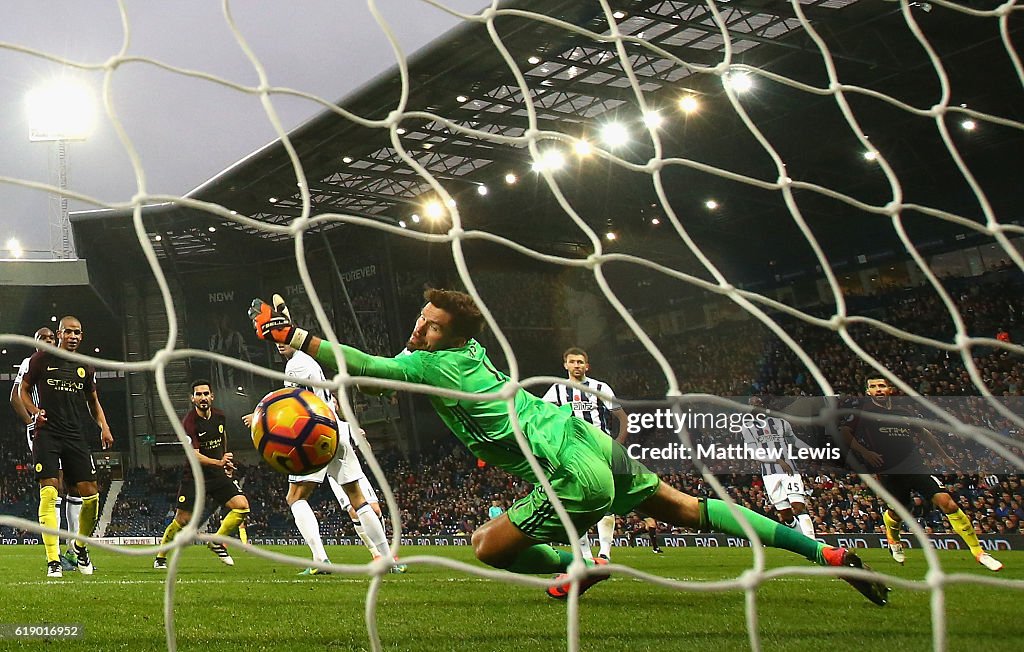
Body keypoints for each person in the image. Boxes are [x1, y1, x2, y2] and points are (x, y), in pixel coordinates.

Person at [249, 289, 889, 605]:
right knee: (687, 508)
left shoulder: (434, 365)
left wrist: (295, 334)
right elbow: (386, 374)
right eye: (422, 318)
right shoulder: (462, 352)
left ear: (450, 336)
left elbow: (362, 362)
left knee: (488, 546)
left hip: (565, 461)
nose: (419, 328)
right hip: (581, 437)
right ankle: (826, 553)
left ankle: (576, 569)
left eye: (430, 325)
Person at [242, 342, 400, 574]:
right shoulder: (311, 362)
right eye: (276, 341)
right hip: (337, 430)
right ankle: (388, 559)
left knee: (295, 497)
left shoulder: (295, 366)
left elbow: (294, 406)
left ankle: (320, 560)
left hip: (312, 434)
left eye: (284, 339)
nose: (279, 345)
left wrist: (261, 416)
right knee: (357, 498)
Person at [840, 377, 1003, 571]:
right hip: (889, 471)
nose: (878, 390)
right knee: (900, 512)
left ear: (890, 389)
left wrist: (944, 457)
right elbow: (844, 432)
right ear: (868, 392)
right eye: (873, 387)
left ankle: (979, 553)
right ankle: (893, 539)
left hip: (915, 466)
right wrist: (865, 452)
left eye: (882, 386)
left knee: (947, 502)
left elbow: (924, 433)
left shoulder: (904, 412)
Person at [19, 316, 114, 578]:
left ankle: (79, 548)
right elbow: (23, 392)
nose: (73, 336)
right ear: (59, 334)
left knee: (91, 496)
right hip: (47, 434)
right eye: (68, 332)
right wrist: (34, 412)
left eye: (78, 333)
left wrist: (104, 427)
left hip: (76, 436)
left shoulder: (85, 366)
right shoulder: (40, 360)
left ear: (81, 336)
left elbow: (93, 402)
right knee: (50, 493)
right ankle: (53, 561)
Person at [542, 347, 633, 559]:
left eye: (580, 362)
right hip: (572, 453)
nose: (576, 365)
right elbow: (543, 415)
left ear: (587, 366)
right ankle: (584, 555)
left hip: (599, 449)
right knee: (576, 502)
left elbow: (622, 417)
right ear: (565, 365)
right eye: (572, 362)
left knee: (605, 498)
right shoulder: (557, 390)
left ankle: (604, 554)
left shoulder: (600, 388)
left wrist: (617, 444)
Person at [154, 379, 250, 568]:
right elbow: (194, 455)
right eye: (199, 394)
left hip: (216, 475)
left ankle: (216, 541)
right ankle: (160, 558)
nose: (203, 398)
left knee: (242, 506)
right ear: (192, 399)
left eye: (206, 394)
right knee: (182, 520)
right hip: (195, 478)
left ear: (212, 397)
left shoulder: (220, 416)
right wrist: (219, 462)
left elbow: (223, 437)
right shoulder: (189, 423)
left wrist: (226, 460)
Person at [11, 326, 81, 571]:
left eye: (52, 337)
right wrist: (32, 420)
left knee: (72, 486)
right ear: (35, 342)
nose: (49, 341)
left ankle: (73, 550)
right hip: (44, 431)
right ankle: (59, 553)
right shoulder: (31, 362)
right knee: (55, 485)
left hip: (66, 431)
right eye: (43, 338)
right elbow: (15, 396)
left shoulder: (62, 362)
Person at [741, 396, 816, 539]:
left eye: (758, 404)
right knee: (786, 514)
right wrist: (777, 460)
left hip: (790, 470)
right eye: (752, 405)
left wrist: (809, 450)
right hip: (770, 474)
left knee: (798, 506)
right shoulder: (748, 429)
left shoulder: (781, 423)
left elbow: (793, 440)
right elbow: (754, 452)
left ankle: (813, 542)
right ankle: (803, 541)